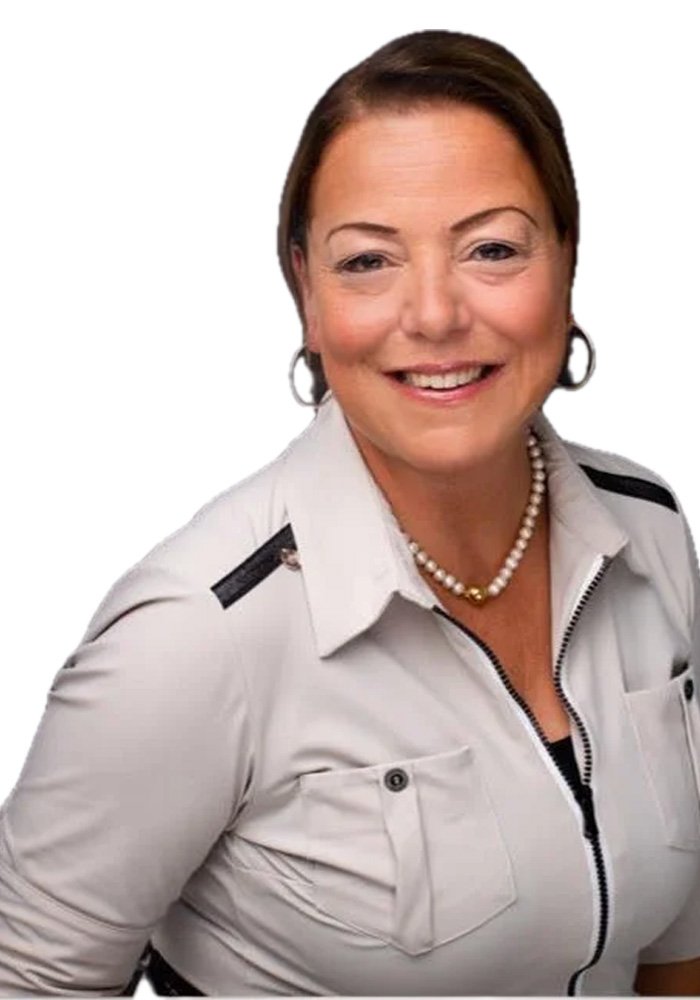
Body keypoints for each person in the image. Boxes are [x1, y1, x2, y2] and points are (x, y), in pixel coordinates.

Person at [1, 27, 699, 997]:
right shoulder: (195, 635)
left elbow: (674, 953)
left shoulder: (651, 533)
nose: (434, 314)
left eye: (492, 248)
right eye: (368, 261)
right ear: (306, 294)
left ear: (567, 264)